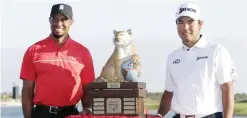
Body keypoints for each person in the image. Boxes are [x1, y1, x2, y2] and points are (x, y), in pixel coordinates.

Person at [156, 2, 237, 118]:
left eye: (190, 22)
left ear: (200, 24)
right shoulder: (173, 57)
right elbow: (169, 92)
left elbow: (227, 87)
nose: (185, 27)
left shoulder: (216, 51)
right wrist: (159, 115)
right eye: (181, 22)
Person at [20, 3, 95, 118]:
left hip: (71, 113)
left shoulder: (83, 52)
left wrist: (87, 109)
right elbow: (27, 92)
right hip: (41, 114)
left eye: (64, 19)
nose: (59, 24)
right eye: (55, 19)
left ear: (71, 22)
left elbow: (88, 89)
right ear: (49, 20)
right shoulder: (33, 51)